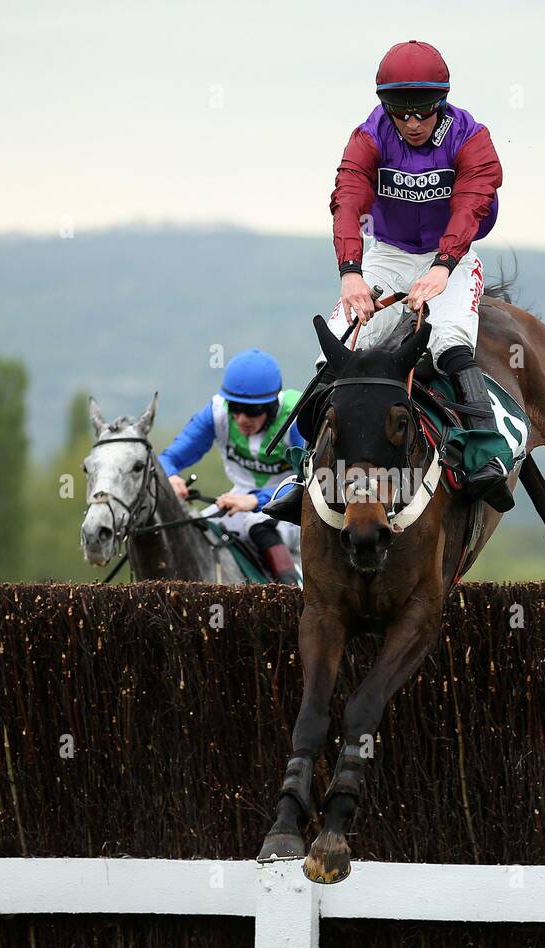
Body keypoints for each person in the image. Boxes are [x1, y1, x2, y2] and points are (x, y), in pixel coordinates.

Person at [264, 38, 513, 524]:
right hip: (389, 255)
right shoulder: (368, 136)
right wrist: (350, 273)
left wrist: (443, 265)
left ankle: (486, 455)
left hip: (452, 255)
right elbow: (347, 200)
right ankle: (307, 474)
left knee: (449, 340)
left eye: (423, 110)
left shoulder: (472, 136)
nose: (412, 122)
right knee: (337, 345)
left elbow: (473, 203)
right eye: (400, 111)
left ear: (440, 102)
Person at [160, 349, 305, 585]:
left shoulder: (297, 416)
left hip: (294, 507)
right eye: (235, 408)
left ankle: (293, 595)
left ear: (271, 406)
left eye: (251, 410)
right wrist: (171, 477)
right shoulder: (216, 412)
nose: (241, 419)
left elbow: (311, 480)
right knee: (192, 529)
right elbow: (168, 459)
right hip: (240, 500)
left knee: (256, 523)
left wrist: (258, 501)